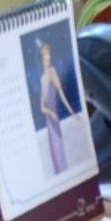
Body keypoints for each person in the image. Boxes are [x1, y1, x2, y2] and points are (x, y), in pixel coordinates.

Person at [37, 39, 78, 173]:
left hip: (55, 119)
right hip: (50, 120)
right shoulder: (42, 79)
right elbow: (41, 107)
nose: (47, 57)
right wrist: (50, 112)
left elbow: (61, 94)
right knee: (54, 152)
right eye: (44, 55)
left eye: (48, 54)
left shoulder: (52, 71)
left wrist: (72, 112)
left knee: (59, 151)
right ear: (41, 58)